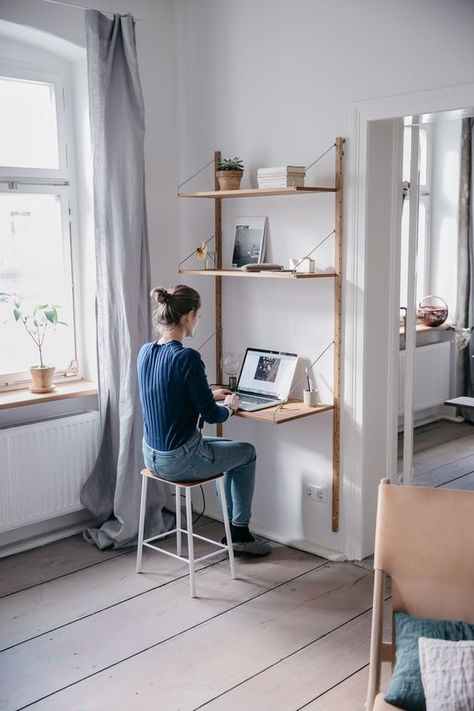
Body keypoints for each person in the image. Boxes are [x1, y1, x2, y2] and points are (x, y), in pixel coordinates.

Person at [137, 284, 271, 557]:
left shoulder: (146, 352)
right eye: (198, 314)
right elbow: (212, 415)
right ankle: (240, 534)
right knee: (247, 453)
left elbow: (169, 393)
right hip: (179, 460)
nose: (198, 320)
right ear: (188, 316)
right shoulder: (187, 357)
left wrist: (208, 393)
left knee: (230, 446)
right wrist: (231, 407)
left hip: (151, 455)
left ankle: (235, 532)